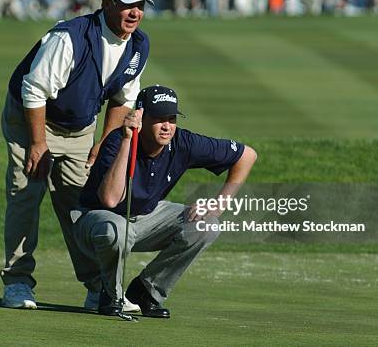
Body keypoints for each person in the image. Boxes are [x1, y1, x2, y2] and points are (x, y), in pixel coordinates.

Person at [0, 0, 153, 310]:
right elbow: (34, 90)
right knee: (26, 195)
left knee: (82, 205)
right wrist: (38, 144)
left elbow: (122, 99)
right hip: (31, 118)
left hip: (81, 125)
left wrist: (105, 143)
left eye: (140, 6)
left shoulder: (139, 45)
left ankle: (98, 288)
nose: (134, 13)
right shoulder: (69, 38)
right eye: (127, 5)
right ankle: (17, 282)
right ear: (108, 3)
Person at [73, 85, 257, 317]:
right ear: (141, 116)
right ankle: (110, 294)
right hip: (96, 221)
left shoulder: (183, 142)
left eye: (171, 118)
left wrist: (219, 205)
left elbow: (247, 155)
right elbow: (110, 199)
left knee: (206, 225)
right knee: (117, 229)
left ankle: (147, 291)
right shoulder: (117, 141)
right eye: (159, 118)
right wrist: (128, 140)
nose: (167, 126)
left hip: (147, 216)